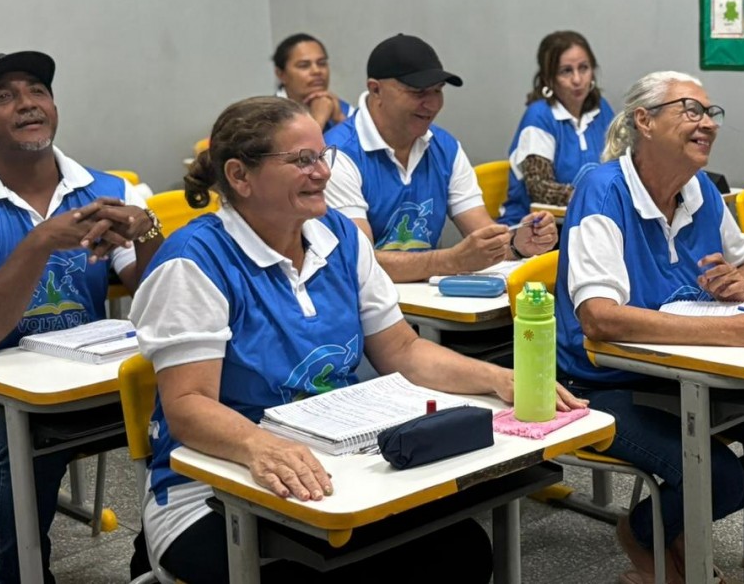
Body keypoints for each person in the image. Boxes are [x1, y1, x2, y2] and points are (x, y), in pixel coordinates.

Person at [129, 96, 584, 583]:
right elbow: (189, 404)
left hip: (336, 468)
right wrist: (258, 446)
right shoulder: (195, 262)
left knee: (462, 552)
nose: (322, 173)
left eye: (323, 157)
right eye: (302, 160)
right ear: (240, 176)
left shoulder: (339, 238)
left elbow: (403, 351)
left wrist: (499, 379)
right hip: (214, 490)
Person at [556, 70, 744, 584]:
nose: (707, 124)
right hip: (602, 385)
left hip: (689, 376)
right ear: (643, 121)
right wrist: (735, 332)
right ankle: (658, 531)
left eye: (711, 114)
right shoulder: (602, 190)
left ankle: (655, 525)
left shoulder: (701, 192)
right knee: (717, 475)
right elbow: (598, 319)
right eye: (691, 110)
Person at [0, 51, 163, 584]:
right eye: (4, 97)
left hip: (82, 376)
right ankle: (23, 575)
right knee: (19, 433)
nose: (27, 104)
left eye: (37, 90)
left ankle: (155, 559)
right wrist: (39, 242)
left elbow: (163, 296)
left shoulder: (111, 191)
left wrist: (148, 231)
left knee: (191, 400)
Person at [324, 33, 558, 282]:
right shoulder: (336, 155)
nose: (433, 104)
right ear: (376, 89)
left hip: (423, 305)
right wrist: (451, 260)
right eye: (418, 92)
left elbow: (483, 233)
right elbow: (362, 263)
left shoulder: (444, 147)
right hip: (358, 308)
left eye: (438, 91)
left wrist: (516, 244)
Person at [499, 30, 614, 224]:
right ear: (549, 78)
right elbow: (540, 188)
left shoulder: (602, 109)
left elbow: (620, 165)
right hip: (535, 231)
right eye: (566, 71)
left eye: (583, 68)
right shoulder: (539, 116)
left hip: (590, 221)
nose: (577, 80)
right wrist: (595, 198)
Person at [273, 32, 353, 132]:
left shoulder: (347, 111)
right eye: (304, 65)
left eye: (322, 63)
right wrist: (318, 121)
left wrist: (339, 119)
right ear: (281, 74)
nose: (317, 71)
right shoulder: (266, 117)